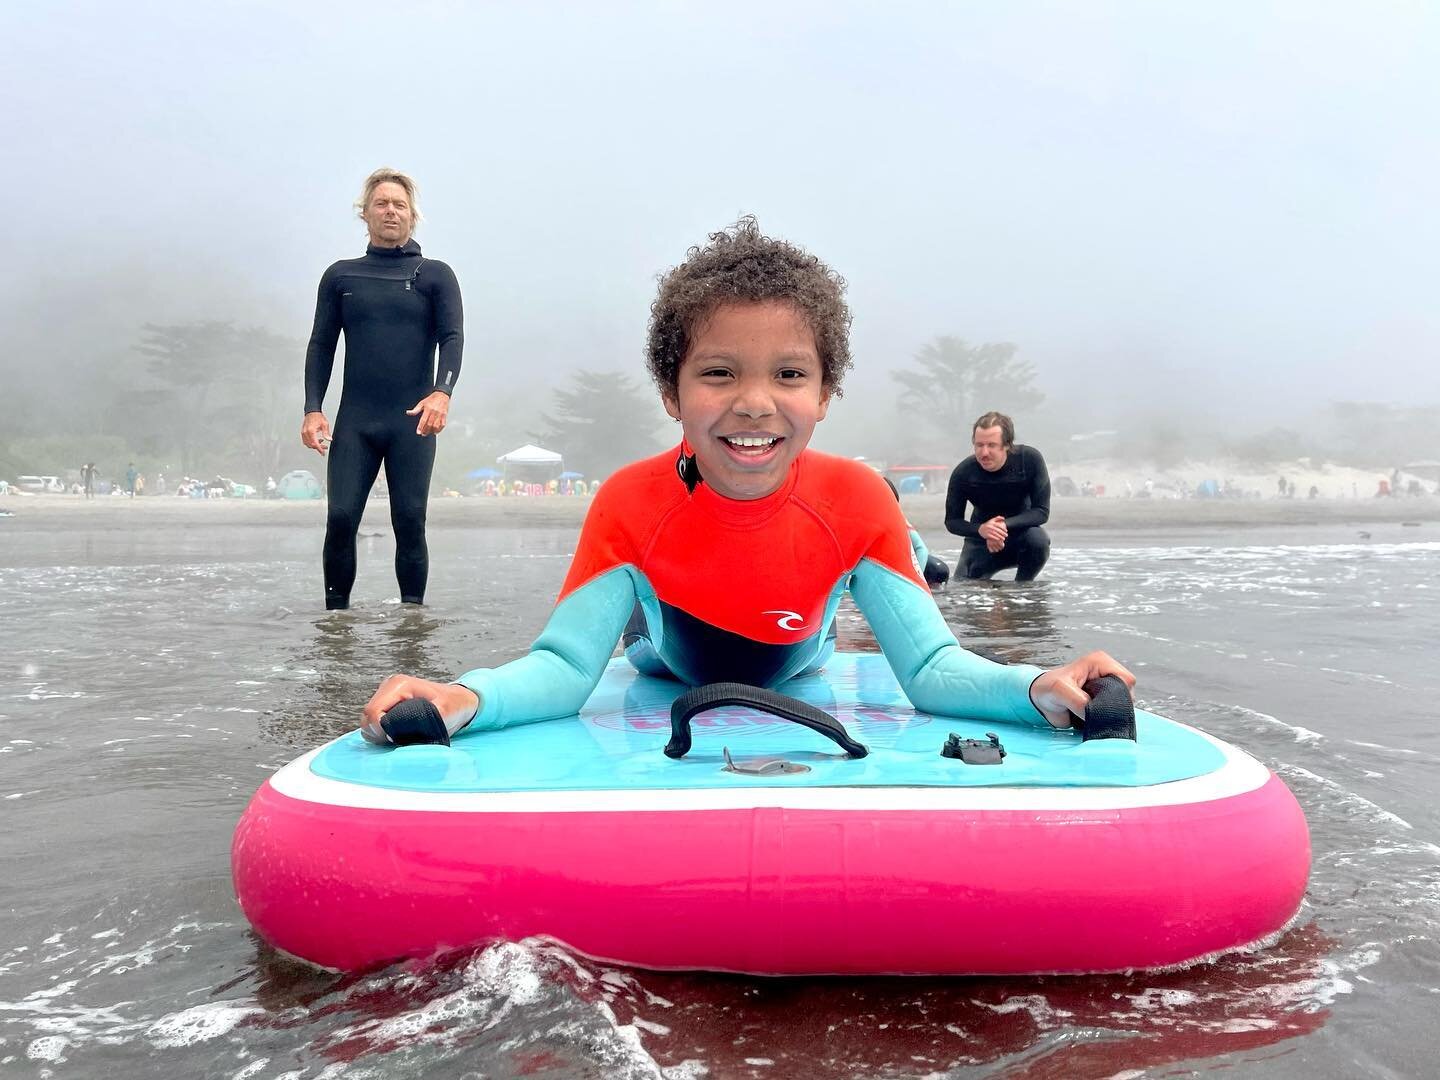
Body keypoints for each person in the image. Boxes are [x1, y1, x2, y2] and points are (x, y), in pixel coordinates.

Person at [359, 218, 1130, 745]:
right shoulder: (631, 501)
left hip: (806, 648)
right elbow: (565, 668)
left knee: (830, 619)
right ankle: (647, 609)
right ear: (673, 391)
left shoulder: (857, 499)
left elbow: (929, 668)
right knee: (639, 635)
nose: (754, 402)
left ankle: (891, 567)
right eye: (718, 372)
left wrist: (1037, 686)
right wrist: (468, 697)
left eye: (790, 373)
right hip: (666, 657)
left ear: (825, 394)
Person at [301, 168, 464, 610]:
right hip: (356, 422)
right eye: (381, 203)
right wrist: (313, 407)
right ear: (365, 214)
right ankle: (335, 624)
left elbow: (452, 338)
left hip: (410, 423)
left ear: (413, 216)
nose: (390, 211)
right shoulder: (340, 277)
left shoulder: (435, 276)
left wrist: (441, 392)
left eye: (399, 205)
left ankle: (412, 623)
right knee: (339, 519)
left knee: (410, 520)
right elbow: (321, 343)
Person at [943, 412, 1051, 582]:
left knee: (1038, 540)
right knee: (963, 592)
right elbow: (952, 521)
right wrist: (982, 530)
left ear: (1007, 445)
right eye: (979, 445)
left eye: (991, 445)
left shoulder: (1029, 460)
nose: (984, 452)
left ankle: (1023, 589)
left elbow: (1041, 512)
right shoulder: (964, 473)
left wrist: (1000, 527)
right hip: (980, 542)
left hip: (1021, 538)